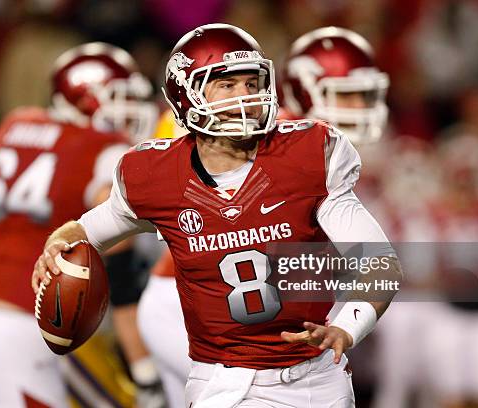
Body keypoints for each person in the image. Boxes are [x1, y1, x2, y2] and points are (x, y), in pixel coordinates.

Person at [33, 23, 402, 408]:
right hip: (225, 379)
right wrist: (57, 243)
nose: (245, 96)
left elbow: (379, 262)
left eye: (251, 83)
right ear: (186, 94)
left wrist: (346, 328)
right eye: (227, 86)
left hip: (318, 376)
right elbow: (89, 229)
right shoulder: (153, 174)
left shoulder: (311, 153)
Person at [138, 26, 392, 408]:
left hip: (249, 302)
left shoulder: (318, 148)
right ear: (307, 90)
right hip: (198, 311)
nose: (360, 106)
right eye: (349, 94)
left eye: (366, 94)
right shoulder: (264, 140)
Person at [0, 42, 158, 407]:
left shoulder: (16, 124)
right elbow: (120, 267)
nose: (130, 111)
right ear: (86, 97)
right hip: (16, 327)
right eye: (119, 97)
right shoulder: (103, 147)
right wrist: (144, 369)